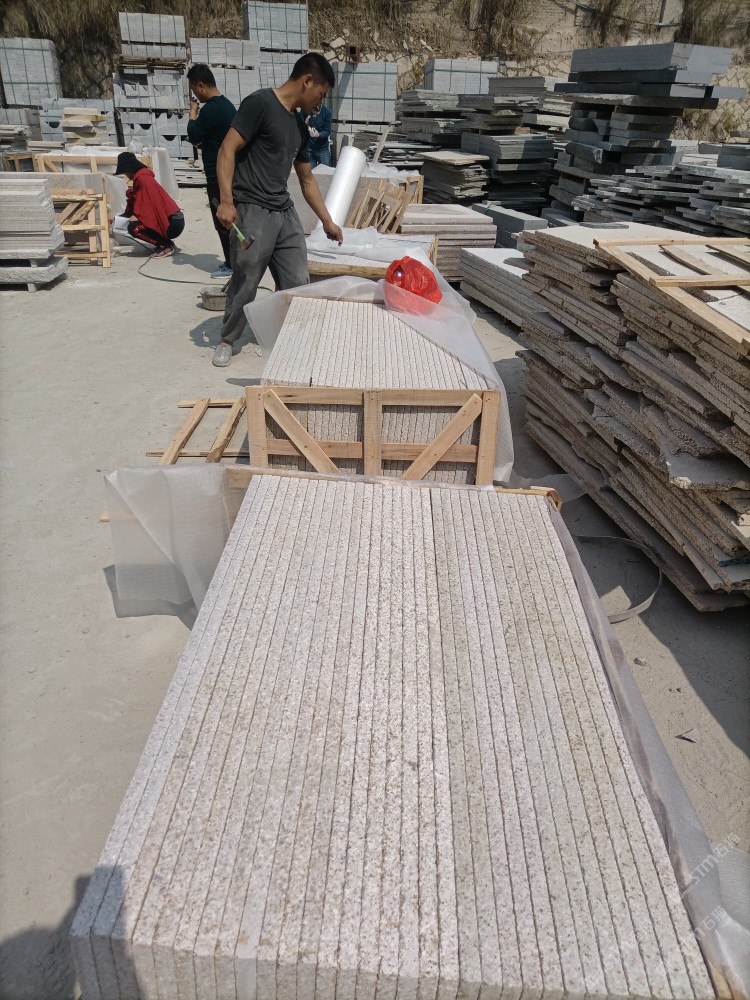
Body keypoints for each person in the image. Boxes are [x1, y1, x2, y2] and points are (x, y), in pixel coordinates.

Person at [212, 51, 343, 368]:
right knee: (247, 278)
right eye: (321, 94)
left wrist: (327, 221)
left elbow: (307, 179)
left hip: (284, 210)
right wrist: (227, 201)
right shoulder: (260, 103)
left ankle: (289, 337)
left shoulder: (299, 124)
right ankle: (228, 339)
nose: (320, 103)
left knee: (298, 278)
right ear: (307, 81)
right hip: (253, 207)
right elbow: (227, 148)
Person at [186, 64, 237, 278]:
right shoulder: (227, 106)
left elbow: (193, 135)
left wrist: (192, 112)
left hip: (217, 175)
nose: (195, 95)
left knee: (222, 221)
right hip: (230, 172)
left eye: (193, 89)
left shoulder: (210, 110)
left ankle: (232, 264)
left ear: (200, 86)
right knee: (231, 221)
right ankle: (235, 261)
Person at [113, 151, 185, 258]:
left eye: (125, 172)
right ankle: (164, 243)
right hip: (173, 220)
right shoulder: (141, 178)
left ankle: (166, 245)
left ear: (129, 169)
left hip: (173, 223)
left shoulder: (144, 180)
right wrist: (119, 218)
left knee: (134, 228)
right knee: (133, 222)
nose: (126, 175)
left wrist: (137, 216)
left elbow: (150, 206)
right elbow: (139, 203)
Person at [307, 102, 332, 167]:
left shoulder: (327, 112)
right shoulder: (306, 109)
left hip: (322, 149)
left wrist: (318, 135)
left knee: (324, 170)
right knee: (310, 171)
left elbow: (327, 131)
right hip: (310, 149)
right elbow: (300, 122)